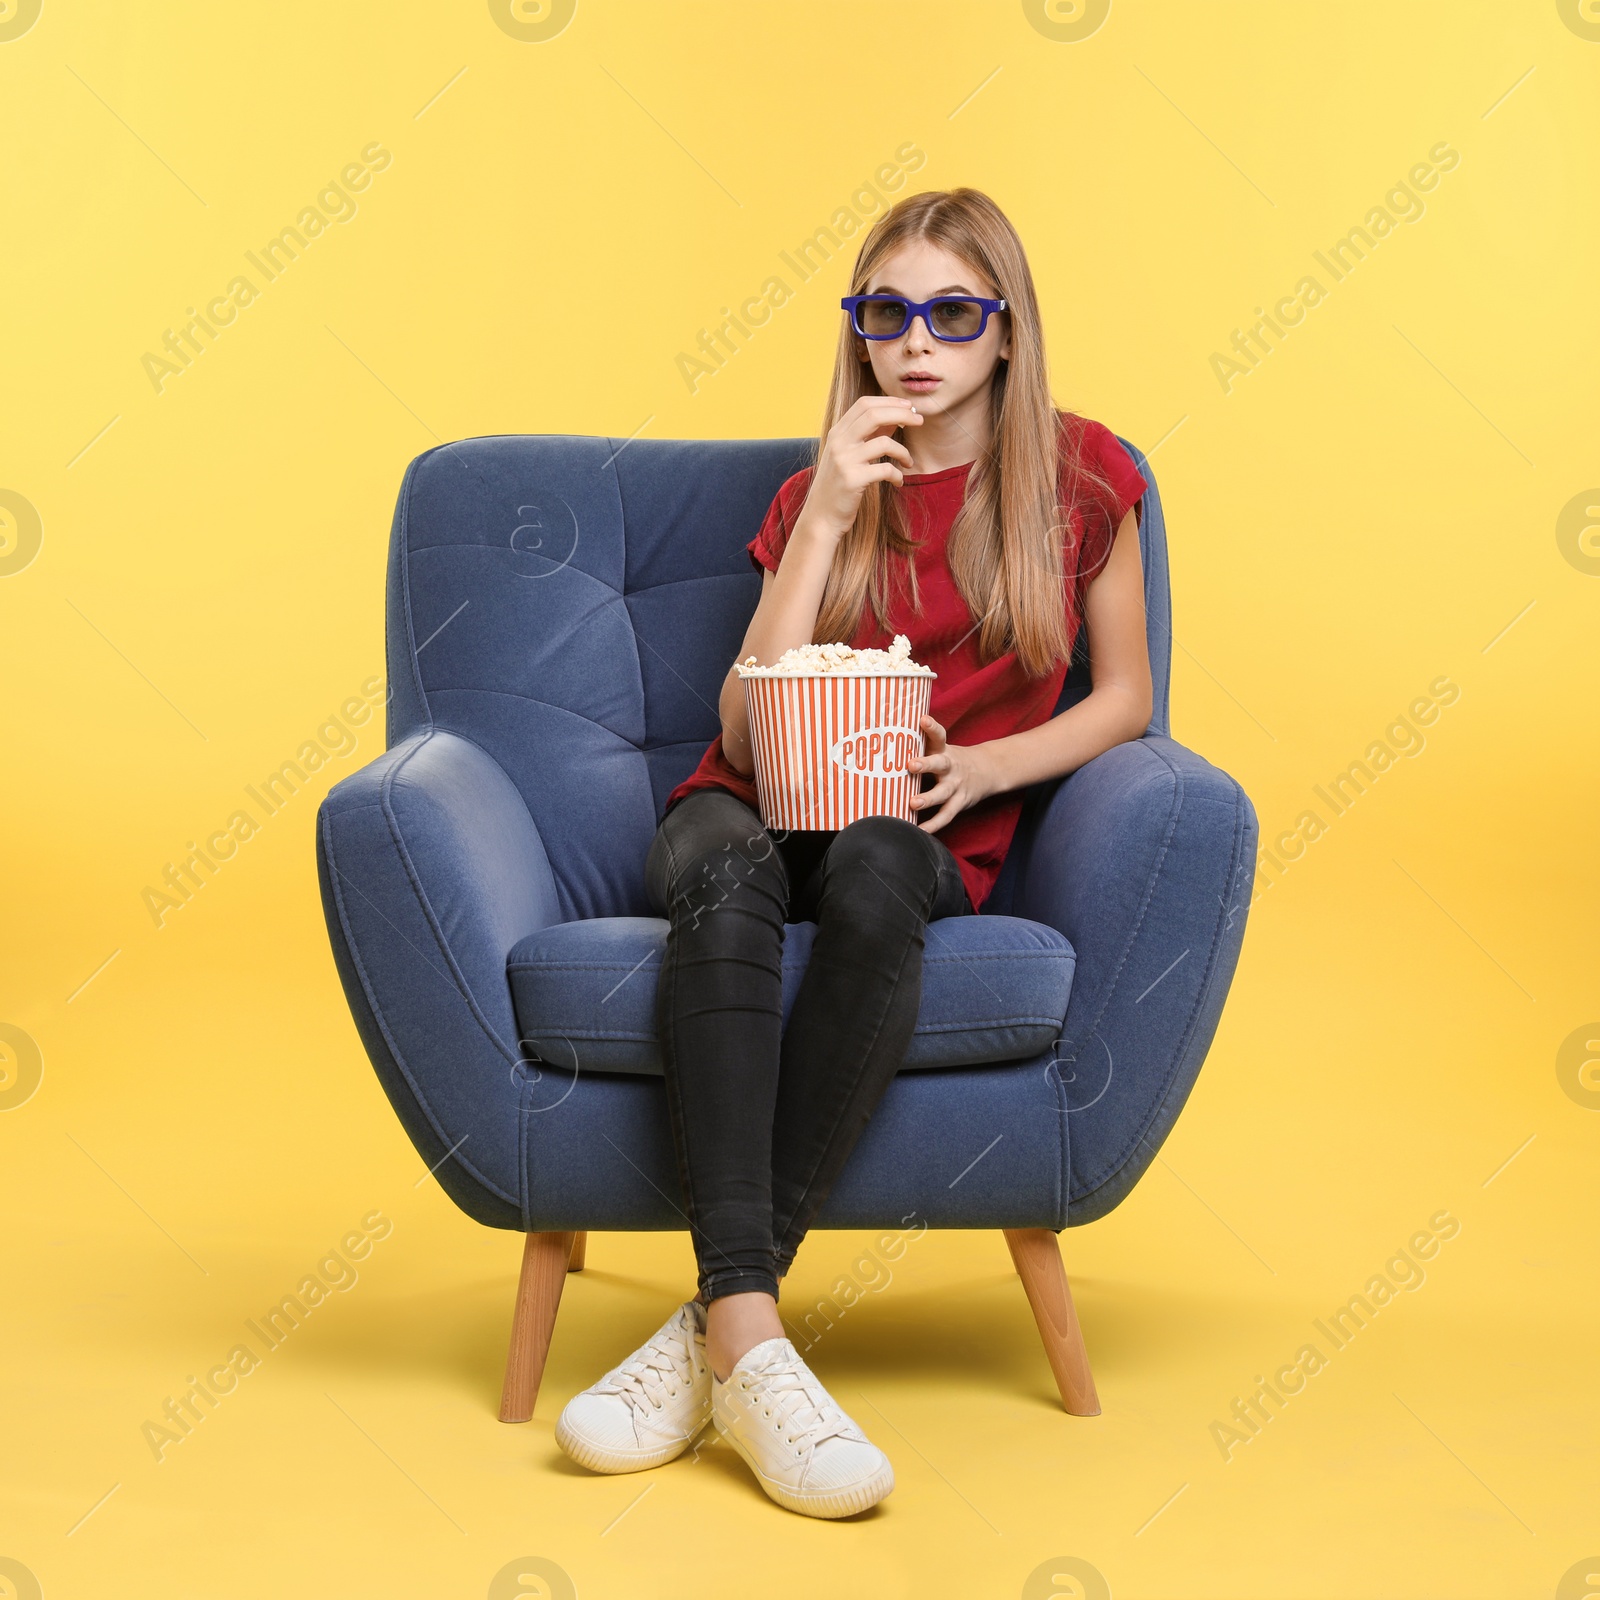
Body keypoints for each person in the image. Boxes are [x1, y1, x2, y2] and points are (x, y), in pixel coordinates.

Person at [555, 187, 1153, 1518]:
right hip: (752, 801)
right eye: (887, 314)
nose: (916, 345)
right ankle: (753, 1340)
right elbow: (737, 722)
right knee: (719, 874)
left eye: (952, 313)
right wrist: (824, 517)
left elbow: (1125, 700)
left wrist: (993, 765)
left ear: (1007, 330)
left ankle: (713, 1329)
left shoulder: (1087, 476)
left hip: (922, 823)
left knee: (881, 867)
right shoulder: (817, 493)